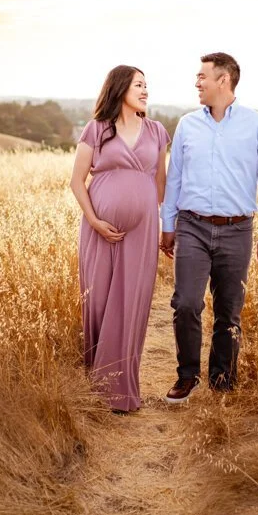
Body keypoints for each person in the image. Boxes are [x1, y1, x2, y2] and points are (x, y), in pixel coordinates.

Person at [159, 52, 258, 403]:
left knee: (229, 310)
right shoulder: (187, 125)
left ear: (224, 80)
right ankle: (187, 376)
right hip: (192, 227)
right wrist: (167, 226)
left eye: (202, 76)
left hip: (237, 230)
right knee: (185, 303)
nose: (197, 82)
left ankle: (223, 382)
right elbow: (175, 180)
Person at [70, 65, 171, 413]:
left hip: (141, 233)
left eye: (147, 85)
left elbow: (160, 185)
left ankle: (121, 391)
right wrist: (96, 221)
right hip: (98, 231)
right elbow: (76, 182)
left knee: (131, 303)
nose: (145, 90)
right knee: (97, 300)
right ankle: (95, 385)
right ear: (119, 88)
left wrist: (156, 220)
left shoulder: (157, 132)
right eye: (138, 84)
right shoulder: (96, 129)